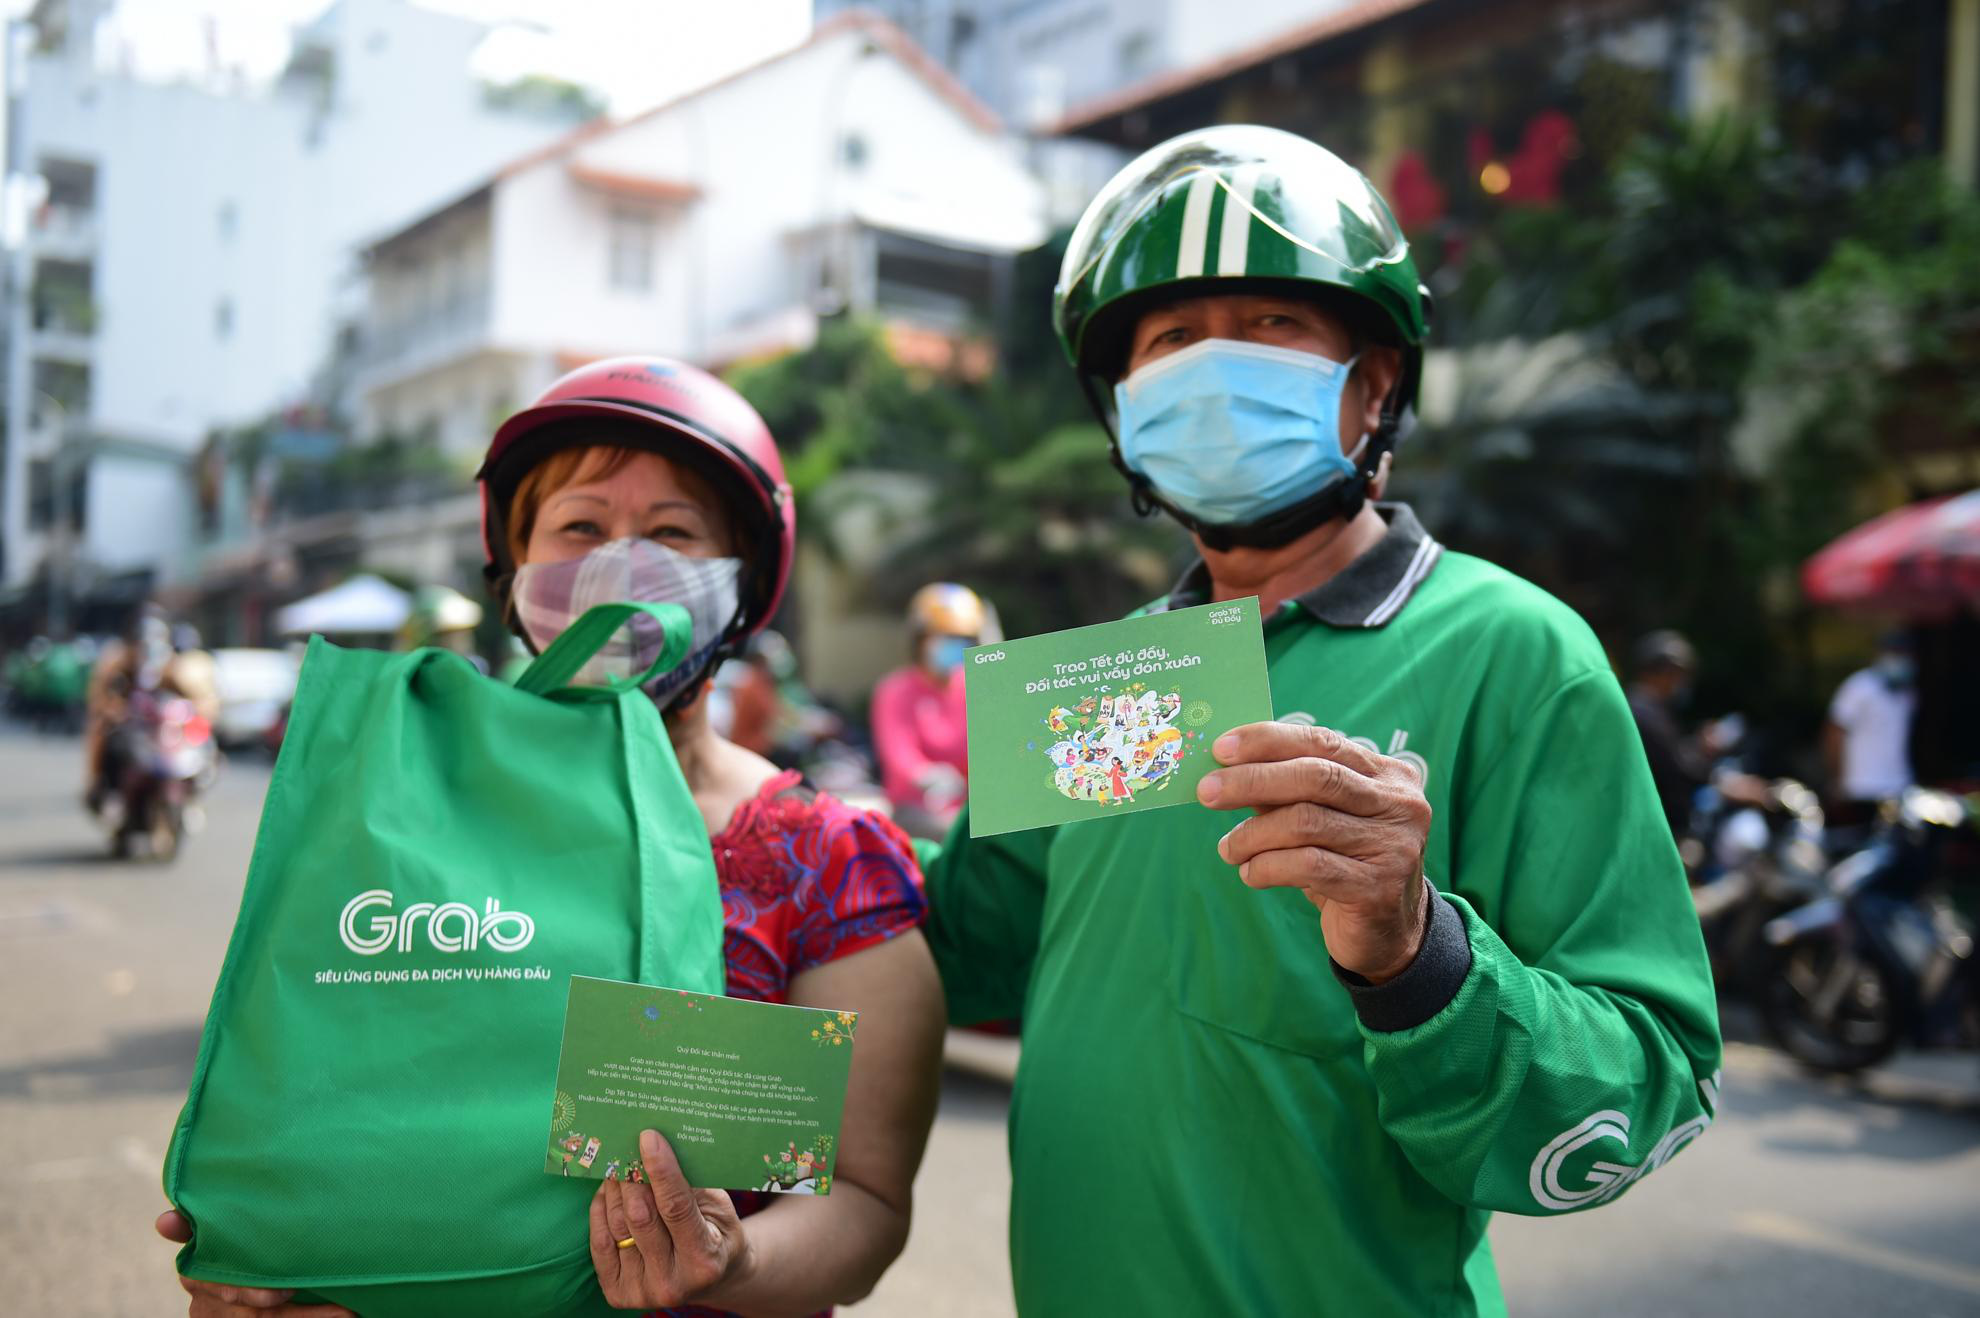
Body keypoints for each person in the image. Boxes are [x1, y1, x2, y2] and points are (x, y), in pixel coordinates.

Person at [922, 125, 1723, 1316]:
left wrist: (1417, 955)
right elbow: (950, 944)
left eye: (1272, 325)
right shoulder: (1103, 680)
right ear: (1123, 406)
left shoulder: (1516, 651)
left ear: (1377, 380)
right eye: (1172, 338)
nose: (1214, 365)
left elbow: (1652, 1077)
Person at [158, 359, 946, 1318]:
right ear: (515, 571)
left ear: (742, 583)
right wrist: (268, 1246)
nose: (621, 564)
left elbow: (865, 1203)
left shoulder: (828, 858)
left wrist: (737, 1265)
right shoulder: (405, 824)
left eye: (671, 533)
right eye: (579, 527)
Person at [1625, 629, 1767, 837]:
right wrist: (1727, 783)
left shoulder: (1650, 708)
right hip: (1662, 826)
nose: (1681, 682)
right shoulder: (1642, 711)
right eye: (1677, 674)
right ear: (1661, 672)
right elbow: (1677, 766)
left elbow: (1672, 752)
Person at [871, 582, 983, 838]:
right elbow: (899, 755)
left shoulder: (975, 687)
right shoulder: (895, 690)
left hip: (972, 808)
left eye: (961, 638)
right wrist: (929, 777)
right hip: (918, 811)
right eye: (944, 637)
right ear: (920, 640)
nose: (953, 645)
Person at [83, 605, 219, 812]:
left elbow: (192, 695)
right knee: (101, 730)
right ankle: (97, 787)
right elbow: (101, 695)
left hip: (162, 730)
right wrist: (113, 709)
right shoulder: (118, 661)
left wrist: (201, 709)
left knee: (204, 739)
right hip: (132, 725)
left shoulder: (171, 664)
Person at [1822, 630, 1918, 829]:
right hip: (1860, 789)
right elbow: (1834, 733)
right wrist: (1837, 779)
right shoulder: (1859, 686)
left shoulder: (1907, 693)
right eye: (1894, 652)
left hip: (1898, 787)